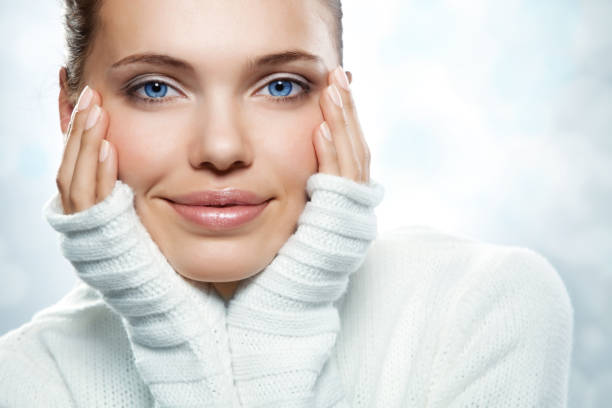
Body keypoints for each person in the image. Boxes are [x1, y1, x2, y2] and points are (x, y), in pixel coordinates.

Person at [0, 0, 573, 406]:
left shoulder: (483, 307)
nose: (221, 148)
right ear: (70, 108)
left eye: (280, 86)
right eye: (155, 87)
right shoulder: (23, 381)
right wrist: (167, 327)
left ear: (341, 99)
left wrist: (285, 320)